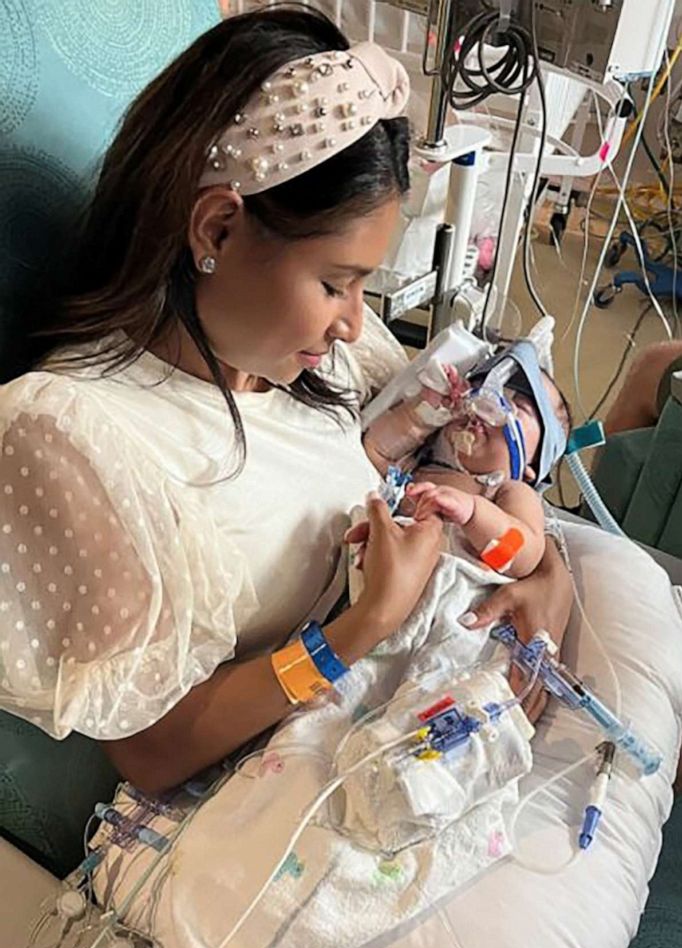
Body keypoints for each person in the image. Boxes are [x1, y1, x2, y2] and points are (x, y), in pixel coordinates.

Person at [0, 8, 572, 796]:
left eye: (364, 282)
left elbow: (459, 480)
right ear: (219, 229)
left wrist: (545, 573)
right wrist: (361, 628)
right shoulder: (70, 433)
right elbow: (152, 750)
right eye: (336, 282)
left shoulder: (305, 361)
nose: (354, 319)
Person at [362, 355, 572, 578]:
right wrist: (423, 414)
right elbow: (376, 450)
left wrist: (473, 514)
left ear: (531, 468)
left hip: (450, 594)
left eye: (519, 407)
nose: (489, 403)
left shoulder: (508, 490)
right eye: (481, 389)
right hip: (387, 574)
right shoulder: (417, 466)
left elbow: (521, 557)